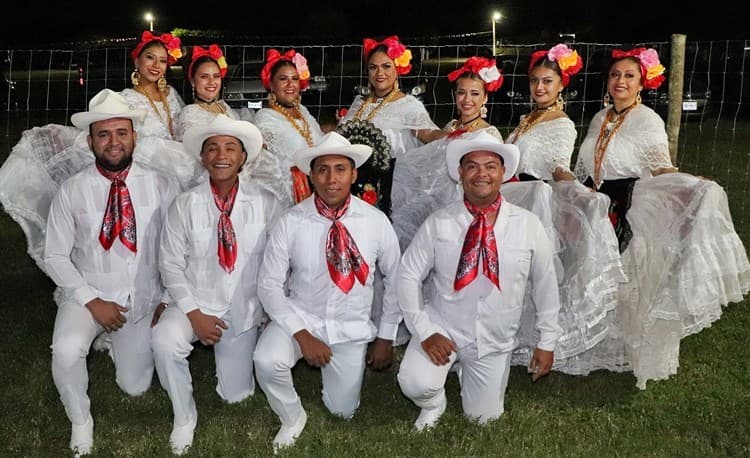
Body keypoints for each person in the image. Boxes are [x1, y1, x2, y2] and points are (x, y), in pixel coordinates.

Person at [575, 47, 750, 388]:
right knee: (596, 272)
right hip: (597, 200)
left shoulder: (648, 120)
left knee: (632, 279)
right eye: (615, 75)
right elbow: (586, 166)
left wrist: (693, 184)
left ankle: (637, 350)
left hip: (629, 202)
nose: (620, 81)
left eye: (628, 76)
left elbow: (661, 167)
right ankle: (602, 343)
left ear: (642, 83)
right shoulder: (600, 117)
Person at [43, 89, 180, 456]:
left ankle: (121, 348)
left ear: (134, 136)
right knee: (66, 350)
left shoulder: (162, 185)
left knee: (134, 386)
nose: (113, 142)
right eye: (104, 134)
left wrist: (166, 299)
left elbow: (176, 249)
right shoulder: (72, 190)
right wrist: (91, 300)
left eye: (121, 133)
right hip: (88, 294)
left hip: (142, 298)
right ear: (90, 141)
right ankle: (80, 420)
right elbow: (54, 256)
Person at [396, 130, 561, 430]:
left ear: (502, 173)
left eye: (490, 166)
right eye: (472, 165)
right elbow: (407, 275)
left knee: (483, 419)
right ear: (460, 173)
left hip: (493, 340)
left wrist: (547, 342)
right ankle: (434, 403)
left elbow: (546, 284)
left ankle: (464, 372)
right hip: (444, 328)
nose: (481, 173)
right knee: (414, 383)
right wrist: (424, 331)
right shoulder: (439, 223)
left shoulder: (527, 225)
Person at [253, 131, 402, 452]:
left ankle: (338, 386)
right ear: (311, 175)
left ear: (354, 174)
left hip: (350, 327)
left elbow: (396, 279)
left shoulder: (375, 221)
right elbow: (268, 284)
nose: (331, 178)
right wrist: (302, 335)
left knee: (343, 412)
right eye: (322, 169)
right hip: (301, 316)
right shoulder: (291, 221)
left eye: (340, 169)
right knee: (266, 360)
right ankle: (292, 416)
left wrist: (386, 336)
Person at [152, 115, 281, 454]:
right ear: (202, 158)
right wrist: (193, 314)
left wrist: (271, 311)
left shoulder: (267, 203)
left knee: (236, 396)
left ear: (243, 157)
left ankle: (237, 366)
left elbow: (278, 262)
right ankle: (184, 415)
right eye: (212, 148)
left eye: (230, 148)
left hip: (243, 308)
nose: (221, 155)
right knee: (165, 341)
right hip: (194, 301)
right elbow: (170, 264)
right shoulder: (184, 204)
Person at [503, 44, 625, 375]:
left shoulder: (561, 123)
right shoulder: (527, 119)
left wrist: (578, 189)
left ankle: (539, 340)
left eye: (547, 81)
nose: (539, 88)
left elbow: (558, 166)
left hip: (534, 199)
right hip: (512, 195)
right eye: (534, 81)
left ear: (561, 85)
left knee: (533, 273)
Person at [390, 55, 505, 250]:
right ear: (455, 95)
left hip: (468, 209)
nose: (467, 100)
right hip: (440, 205)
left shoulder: (488, 134)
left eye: (475, 94)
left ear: (485, 97)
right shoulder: (451, 127)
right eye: (461, 93)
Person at [338, 35, 445, 217]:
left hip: (393, 189)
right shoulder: (359, 104)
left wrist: (455, 136)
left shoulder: (408, 105)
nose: (380, 73)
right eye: (373, 67)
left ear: (398, 68)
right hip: (355, 185)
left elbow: (427, 133)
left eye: (386, 66)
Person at [243, 48, 325, 209]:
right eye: (283, 79)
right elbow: (263, 168)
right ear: (271, 84)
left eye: (294, 78)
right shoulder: (265, 118)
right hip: (287, 197)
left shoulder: (303, 111)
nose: (290, 84)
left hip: (319, 189)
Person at [174, 44, 255, 142]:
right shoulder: (189, 114)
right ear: (192, 81)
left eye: (216, 76)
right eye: (204, 76)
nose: (212, 82)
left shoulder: (223, 106)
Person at [120, 30, 185, 140]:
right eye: (150, 57)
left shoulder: (172, 94)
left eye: (163, 60)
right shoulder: (125, 99)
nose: (156, 65)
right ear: (137, 61)